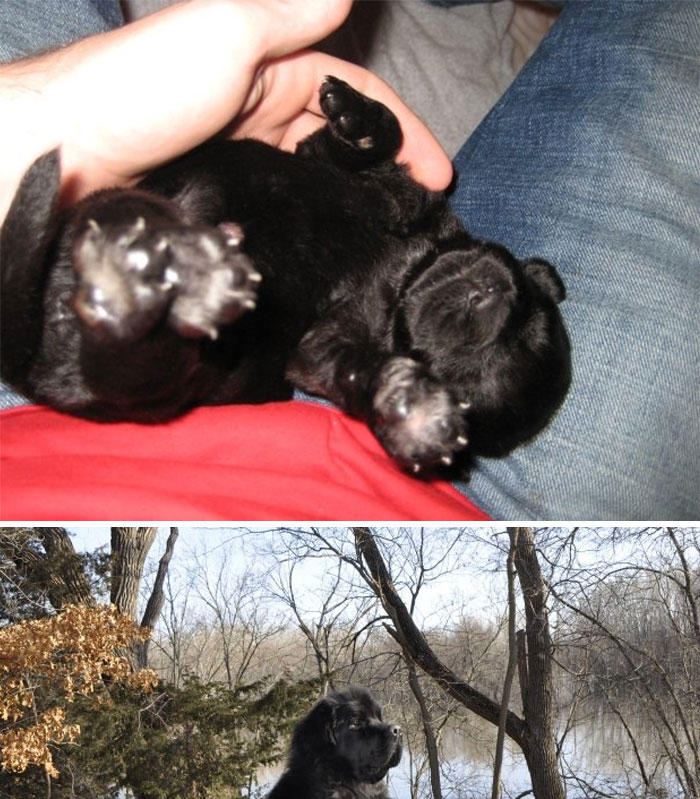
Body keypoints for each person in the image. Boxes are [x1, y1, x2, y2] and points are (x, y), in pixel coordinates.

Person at [1, 0, 697, 520]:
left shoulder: (348, 344)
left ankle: (130, 303)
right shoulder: (422, 216)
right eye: (525, 311)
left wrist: (387, 398)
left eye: (474, 346)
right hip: (135, 207)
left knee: (158, 364)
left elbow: (343, 368)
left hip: (123, 339)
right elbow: (323, 162)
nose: (491, 307)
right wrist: (361, 142)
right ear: (538, 277)